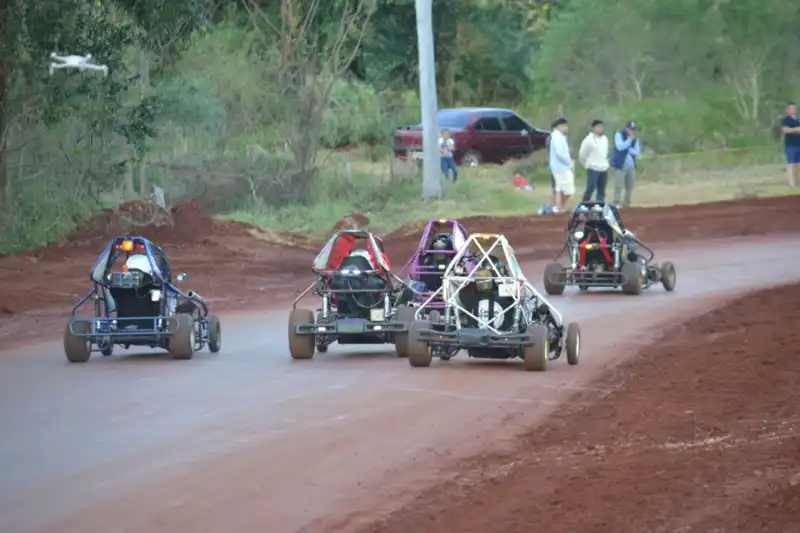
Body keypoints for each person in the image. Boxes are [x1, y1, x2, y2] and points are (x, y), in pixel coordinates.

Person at [610, 121, 641, 208]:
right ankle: (616, 203)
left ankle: (627, 204)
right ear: (626, 128)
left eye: (633, 129)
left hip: (631, 165)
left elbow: (637, 152)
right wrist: (629, 140)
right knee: (618, 185)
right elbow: (620, 147)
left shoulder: (636, 139)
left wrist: (628, 149)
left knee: (630, 186)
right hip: (621, 164)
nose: (632, 131)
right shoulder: (619, 135)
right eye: (630, 129)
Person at [578, 119, 610, 202]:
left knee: (601, 189)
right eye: (598, 126)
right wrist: (587, 163)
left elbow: (605, 153)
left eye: (601, 127)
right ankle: (585, 203)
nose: (600, 128)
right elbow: (582, 154)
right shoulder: (588, 140)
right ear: (593, 128)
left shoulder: (605, 139)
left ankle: (600, 204)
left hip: (603, 167)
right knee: (591, 186)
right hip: (593, 167)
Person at [548, 117, 575, 212]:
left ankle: (558, 208)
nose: (565, 127)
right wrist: (569, 162)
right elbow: (560, 153)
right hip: (561, 167)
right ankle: (558, 207)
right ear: (558, 127)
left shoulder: (560, 136)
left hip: (560, 167)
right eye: (563, 126)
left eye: (566, 125)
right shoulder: (556, 136)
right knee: (569, 190)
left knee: (559, 189)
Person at [782, 102, 800, 187]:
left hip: (799, 145)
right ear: (787, 110)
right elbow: (785, 130)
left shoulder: (798, 119)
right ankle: (791, 182)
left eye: (794, 108)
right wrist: (796, 129)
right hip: (790, 146)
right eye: (791, 108)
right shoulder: (786, 120)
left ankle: (797, 181)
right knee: (791, 164)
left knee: (799, 165)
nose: (793, 110)